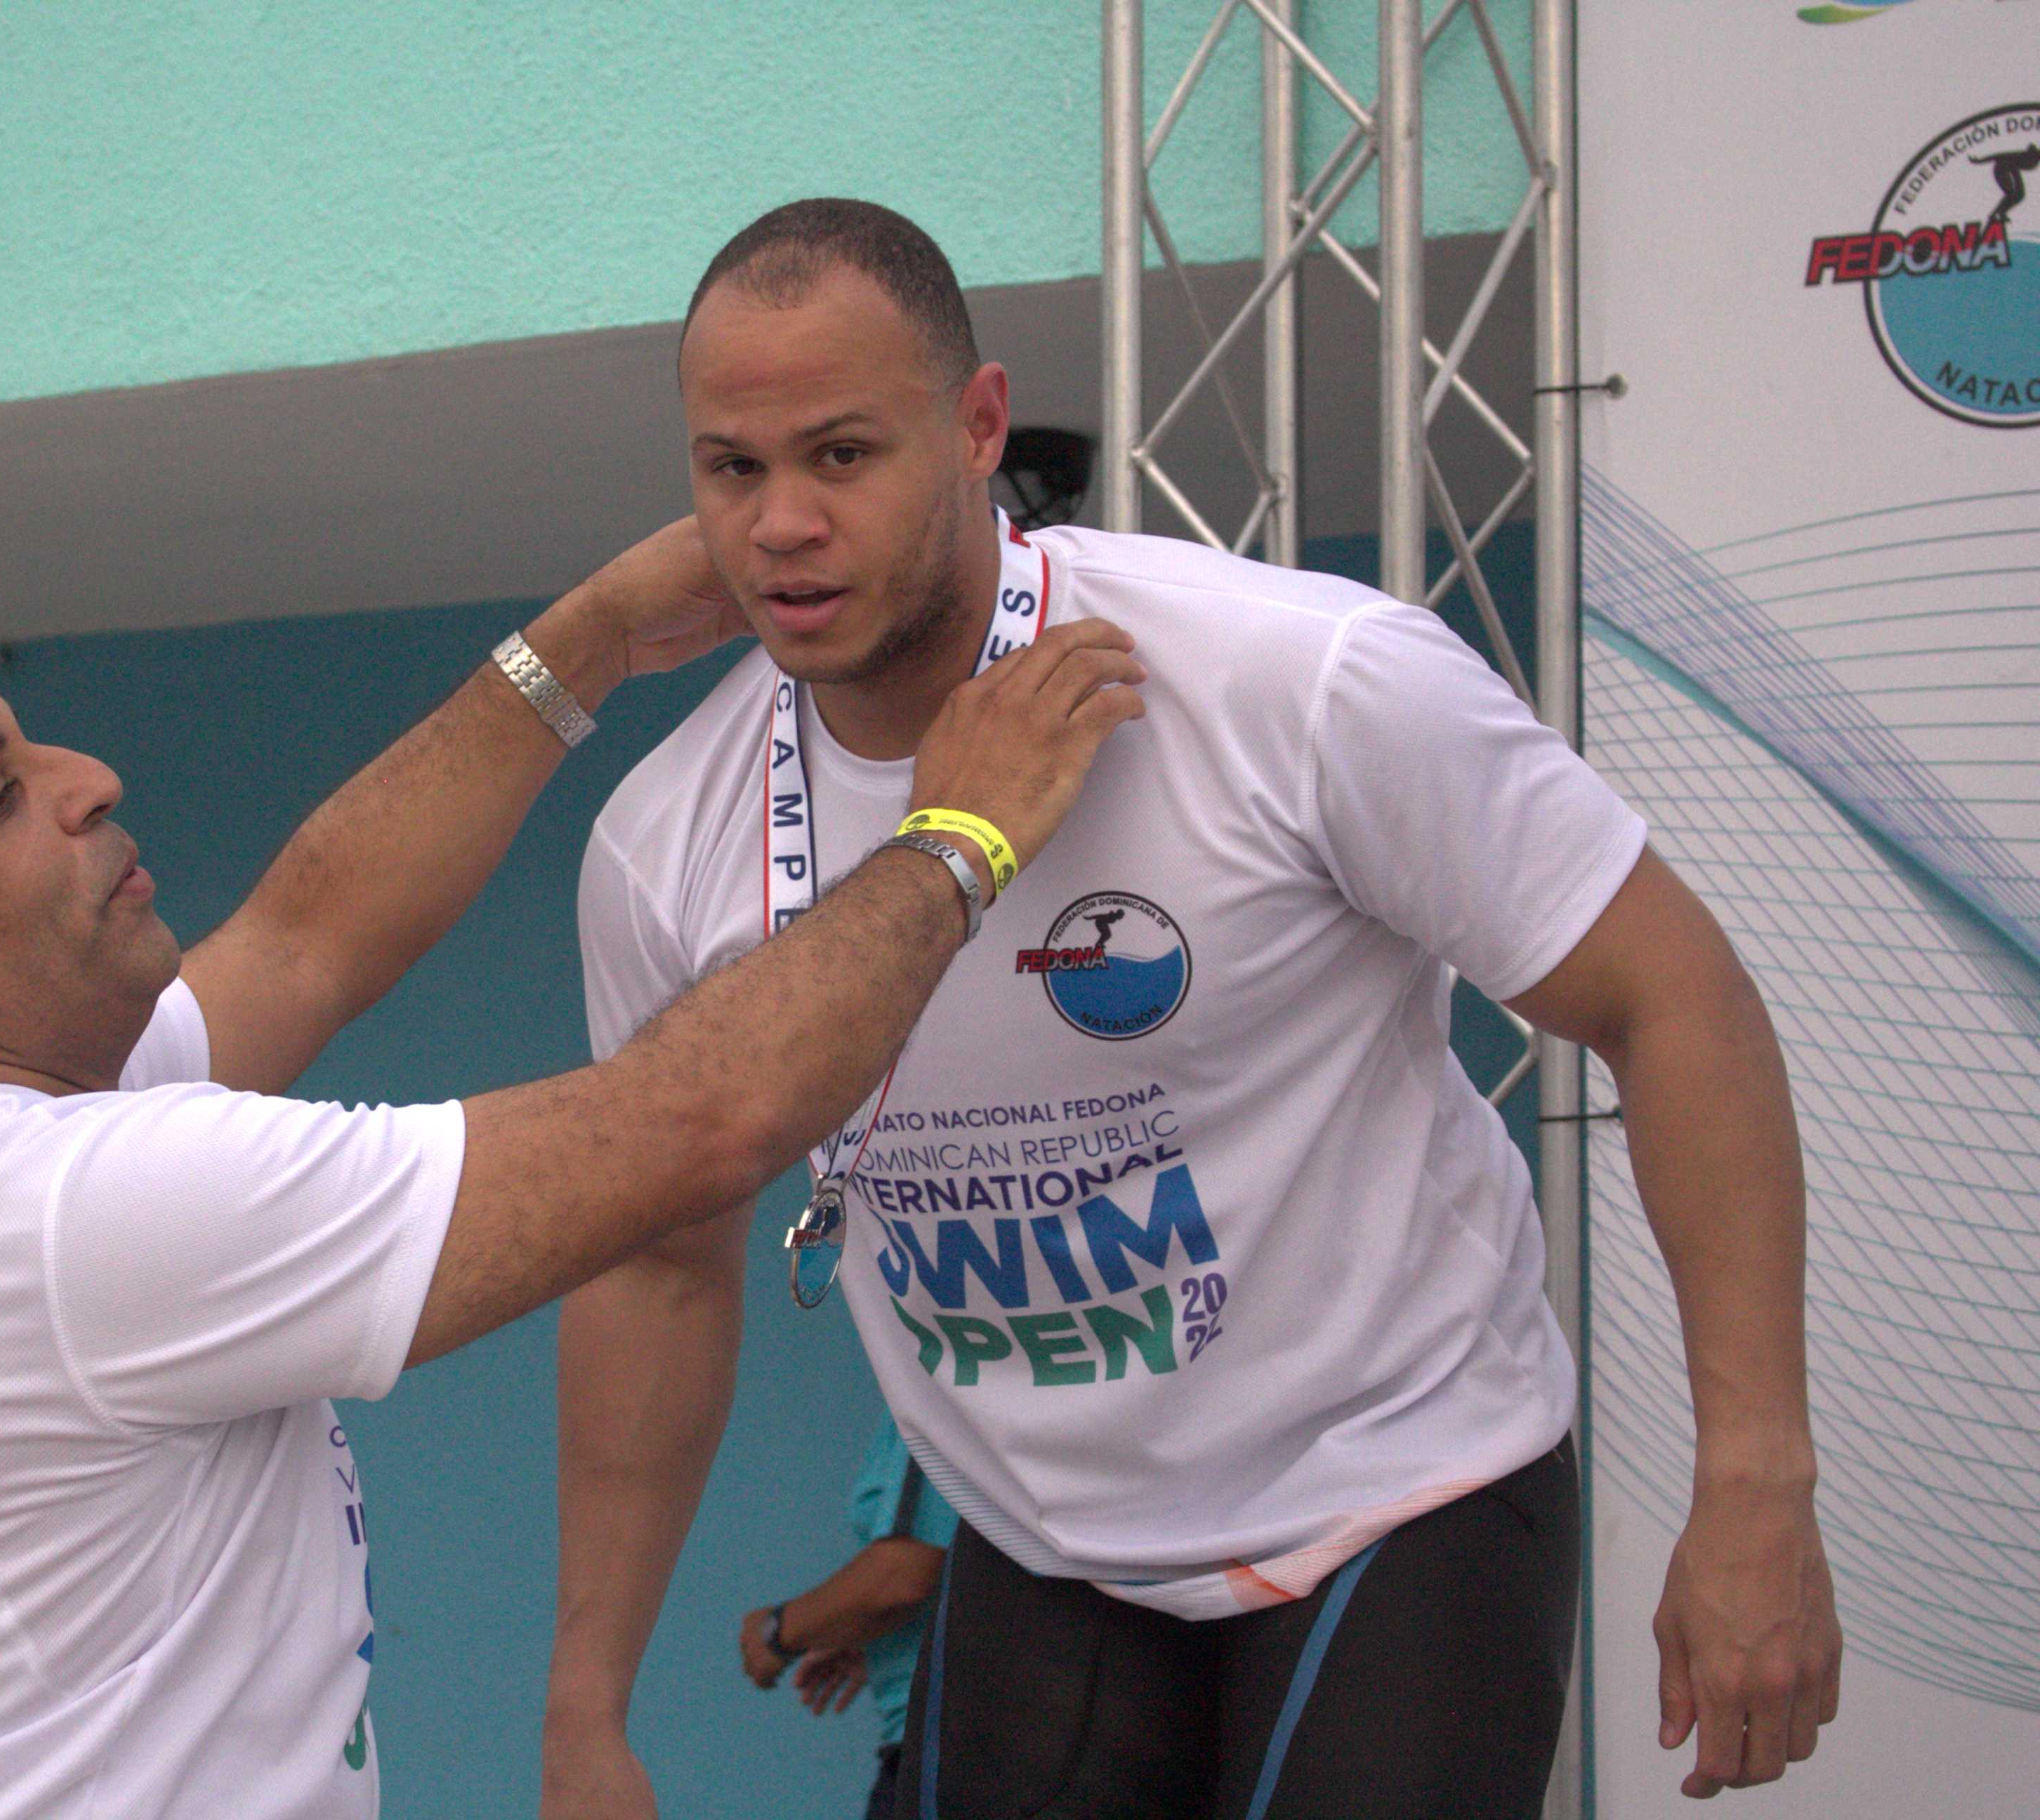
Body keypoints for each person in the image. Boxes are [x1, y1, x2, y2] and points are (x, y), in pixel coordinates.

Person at [539, 199, 1842, 1819]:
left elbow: (1674, 994)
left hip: (1395, 1485)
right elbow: (658, 1267)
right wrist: (584, 1710)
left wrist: (1757, 1480)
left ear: (978, 426)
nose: (782, 523)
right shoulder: (664, 847)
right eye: (732, 468)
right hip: (1043, 1542)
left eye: (842, 455)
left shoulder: (1299, 679)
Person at [0, 520, 1145, 1819]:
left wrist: (588, 641)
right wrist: (959, 832)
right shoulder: (49, 1221)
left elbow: (308, 937)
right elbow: (698, 1122)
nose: (88, 777)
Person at [735, 1416, 959, 1820]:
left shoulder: (937, 1396)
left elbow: (904, 1573)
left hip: (949, 1755)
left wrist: (777, 1631)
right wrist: (876, 1637)